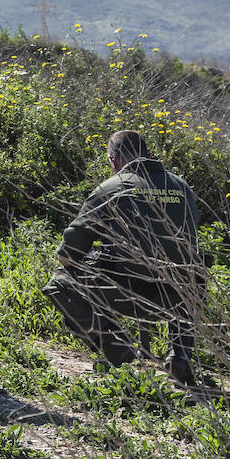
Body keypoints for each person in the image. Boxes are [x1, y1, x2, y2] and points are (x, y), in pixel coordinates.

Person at [43, 130, 205, 385]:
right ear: (150, 155)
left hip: (129, 293)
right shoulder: (182, 187)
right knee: (191, 271)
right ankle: (180, 353)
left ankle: (117, 349)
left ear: (113, 160)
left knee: (59, 284)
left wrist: (78, 259)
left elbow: (71, 248)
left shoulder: (112, 187)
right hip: (178, 296)